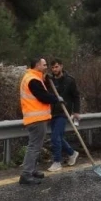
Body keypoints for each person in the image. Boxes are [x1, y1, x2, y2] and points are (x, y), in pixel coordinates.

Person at [19, 57, 63, 185]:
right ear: (37, 65)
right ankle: (26, 174)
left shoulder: (35, 77)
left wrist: (48, 81)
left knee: (36, 146)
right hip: (36, 119)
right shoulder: (32, 79)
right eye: (44, 65)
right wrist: (57, 99)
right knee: (34, 147)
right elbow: (43, 96)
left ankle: (32, 170)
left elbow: (43, 91)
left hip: (37, 118)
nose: (46, 67)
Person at [47, 58, 80, 172]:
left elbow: (76, 96)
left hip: (63, 112)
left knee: (55, 137)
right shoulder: (50, 81)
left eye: (56, 67)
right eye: (52, 67)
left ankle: (57, 161)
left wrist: (76, 112)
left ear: (61, 66)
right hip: (52, 112)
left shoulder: (70, 80)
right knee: (59, 137)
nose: (54, 69)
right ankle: (72, 153)